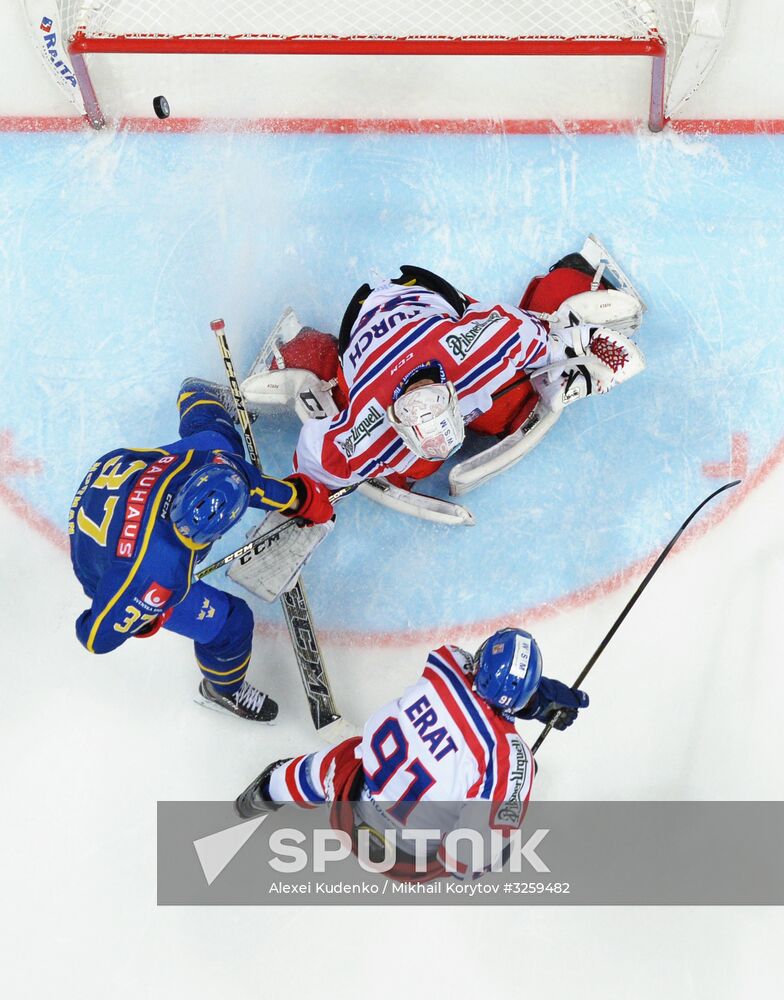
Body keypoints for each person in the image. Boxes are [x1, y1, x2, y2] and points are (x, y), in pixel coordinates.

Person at [240, 240, 645, 501]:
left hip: (420, 298)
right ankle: (303, 353)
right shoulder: (369, 429)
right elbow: (316, 459)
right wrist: (303, 494)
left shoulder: (485, 345)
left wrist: (585, 356)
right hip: (363, 327)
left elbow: (548, 334)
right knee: (410, 466)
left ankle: (573, 277)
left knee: (508, 405)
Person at [68, 379, 334, 722]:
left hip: (118, 476)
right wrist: (144, 618)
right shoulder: (154, 579)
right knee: (232, 624)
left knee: (222, 442)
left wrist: (303, 499)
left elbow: (252, 486)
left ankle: (197, 394)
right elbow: (94, 638)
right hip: (102, 563)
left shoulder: (213, 467)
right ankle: (223, 691)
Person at [235, 627, 588, 880]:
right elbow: (464, 863)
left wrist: (538, 701)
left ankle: (268, 791)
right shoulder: (510, 757)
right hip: (405, 863)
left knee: (337, 761)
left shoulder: (447, 664)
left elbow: (473, 678)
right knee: (496, 820)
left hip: (347, 812)